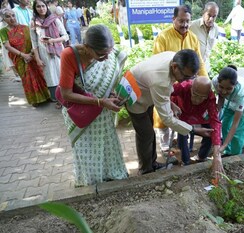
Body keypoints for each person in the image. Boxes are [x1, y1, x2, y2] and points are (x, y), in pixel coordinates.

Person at [58, 24, 128, 186]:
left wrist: (110, 95)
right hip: (80, 114)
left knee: (106, 145)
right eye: (101, 54)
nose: (106, 58)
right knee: (87, 149)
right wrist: (99, 101)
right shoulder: (69, 55)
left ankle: (110, 175)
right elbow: (66, 94)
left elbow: (108, 84)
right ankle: (91, 181)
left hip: (103, 114)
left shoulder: (108, 55)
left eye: (109, 53)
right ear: (87, 47)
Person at [126, 49, 213, 175]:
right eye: (185, 76)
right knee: (146, 135)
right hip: (135, 99)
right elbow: (167, 119)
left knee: (149, 133)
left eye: (192, 77)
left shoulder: (174, 57)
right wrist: (194, 130)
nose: (187, 80)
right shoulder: (160, 81)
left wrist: (170, 104)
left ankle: (152, 163)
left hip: (146, 92)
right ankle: (146, 170)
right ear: (175, 67)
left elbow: (163, 91)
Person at [153, 5, 208, 157]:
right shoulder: (163, 37)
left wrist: (205, 82)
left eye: (187, 21)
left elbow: (200, 63)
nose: (184, 25)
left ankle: (178, 139)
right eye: (181, 21)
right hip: (167, 84)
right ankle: (165, 146)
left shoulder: (193, 37)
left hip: (187, 88)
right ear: (173, 19)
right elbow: (157, 62)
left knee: (181, 114)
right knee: (164, 115)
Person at [171, 76, 224, 177]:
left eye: (202, 97)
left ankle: (201, 156)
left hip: (200, 114)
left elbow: (215, 121)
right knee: (182, 132)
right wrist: (171, 104)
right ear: (191, 88)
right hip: (183, 111)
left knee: (211, 131)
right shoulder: (182, 87)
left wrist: (217, 154)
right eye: (195, 94)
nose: (197, 100)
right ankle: (185, 161)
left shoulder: (210, 97)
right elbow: (163, 93)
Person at [0, 8, 50, 106]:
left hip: (32, 56)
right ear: (3, 19)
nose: (12, 18)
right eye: (8, 16)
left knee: (39, 75)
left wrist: (31, 54)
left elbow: (34, 42)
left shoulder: (25, 28)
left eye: (13, 15)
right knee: (27, 79)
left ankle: (47, 96)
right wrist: (23, 55)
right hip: (19, 59)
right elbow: (7, 46)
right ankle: (35, 100)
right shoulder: (3, 31)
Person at [30, 0, 69, 108]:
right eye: (38, 7)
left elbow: (65, 36)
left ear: (46, 7)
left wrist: (52, 40)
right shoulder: (33, 22)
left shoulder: (54, 19)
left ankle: (67, 98)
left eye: (43, 6)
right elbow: (34, 42)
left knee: (62, 75)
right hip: (44, 54)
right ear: (35, 8)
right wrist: (37, 58)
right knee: (51, 77)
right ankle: (58, 100)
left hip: (58, 52)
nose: (41, 9)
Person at [213, 65, 244, 156]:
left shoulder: (241, 93)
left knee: (238, 133)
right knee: (225, 126)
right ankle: (226, 151)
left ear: (235, 85)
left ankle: (235, 155)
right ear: (218, 82)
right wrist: (217, 111)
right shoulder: (215, 81)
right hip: (230, 102)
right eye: (222, 87)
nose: (224, 91)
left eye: (228, 88)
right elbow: (221, 95)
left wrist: (223, 145)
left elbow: (235, 123)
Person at [189, 2, 219, 73]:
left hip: (205, 68)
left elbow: (209, 48)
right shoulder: (192, 26)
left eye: (214, 16)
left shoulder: (216, 28)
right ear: (203, 13)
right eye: (209, 15)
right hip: (191, 68)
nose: (211, 19)